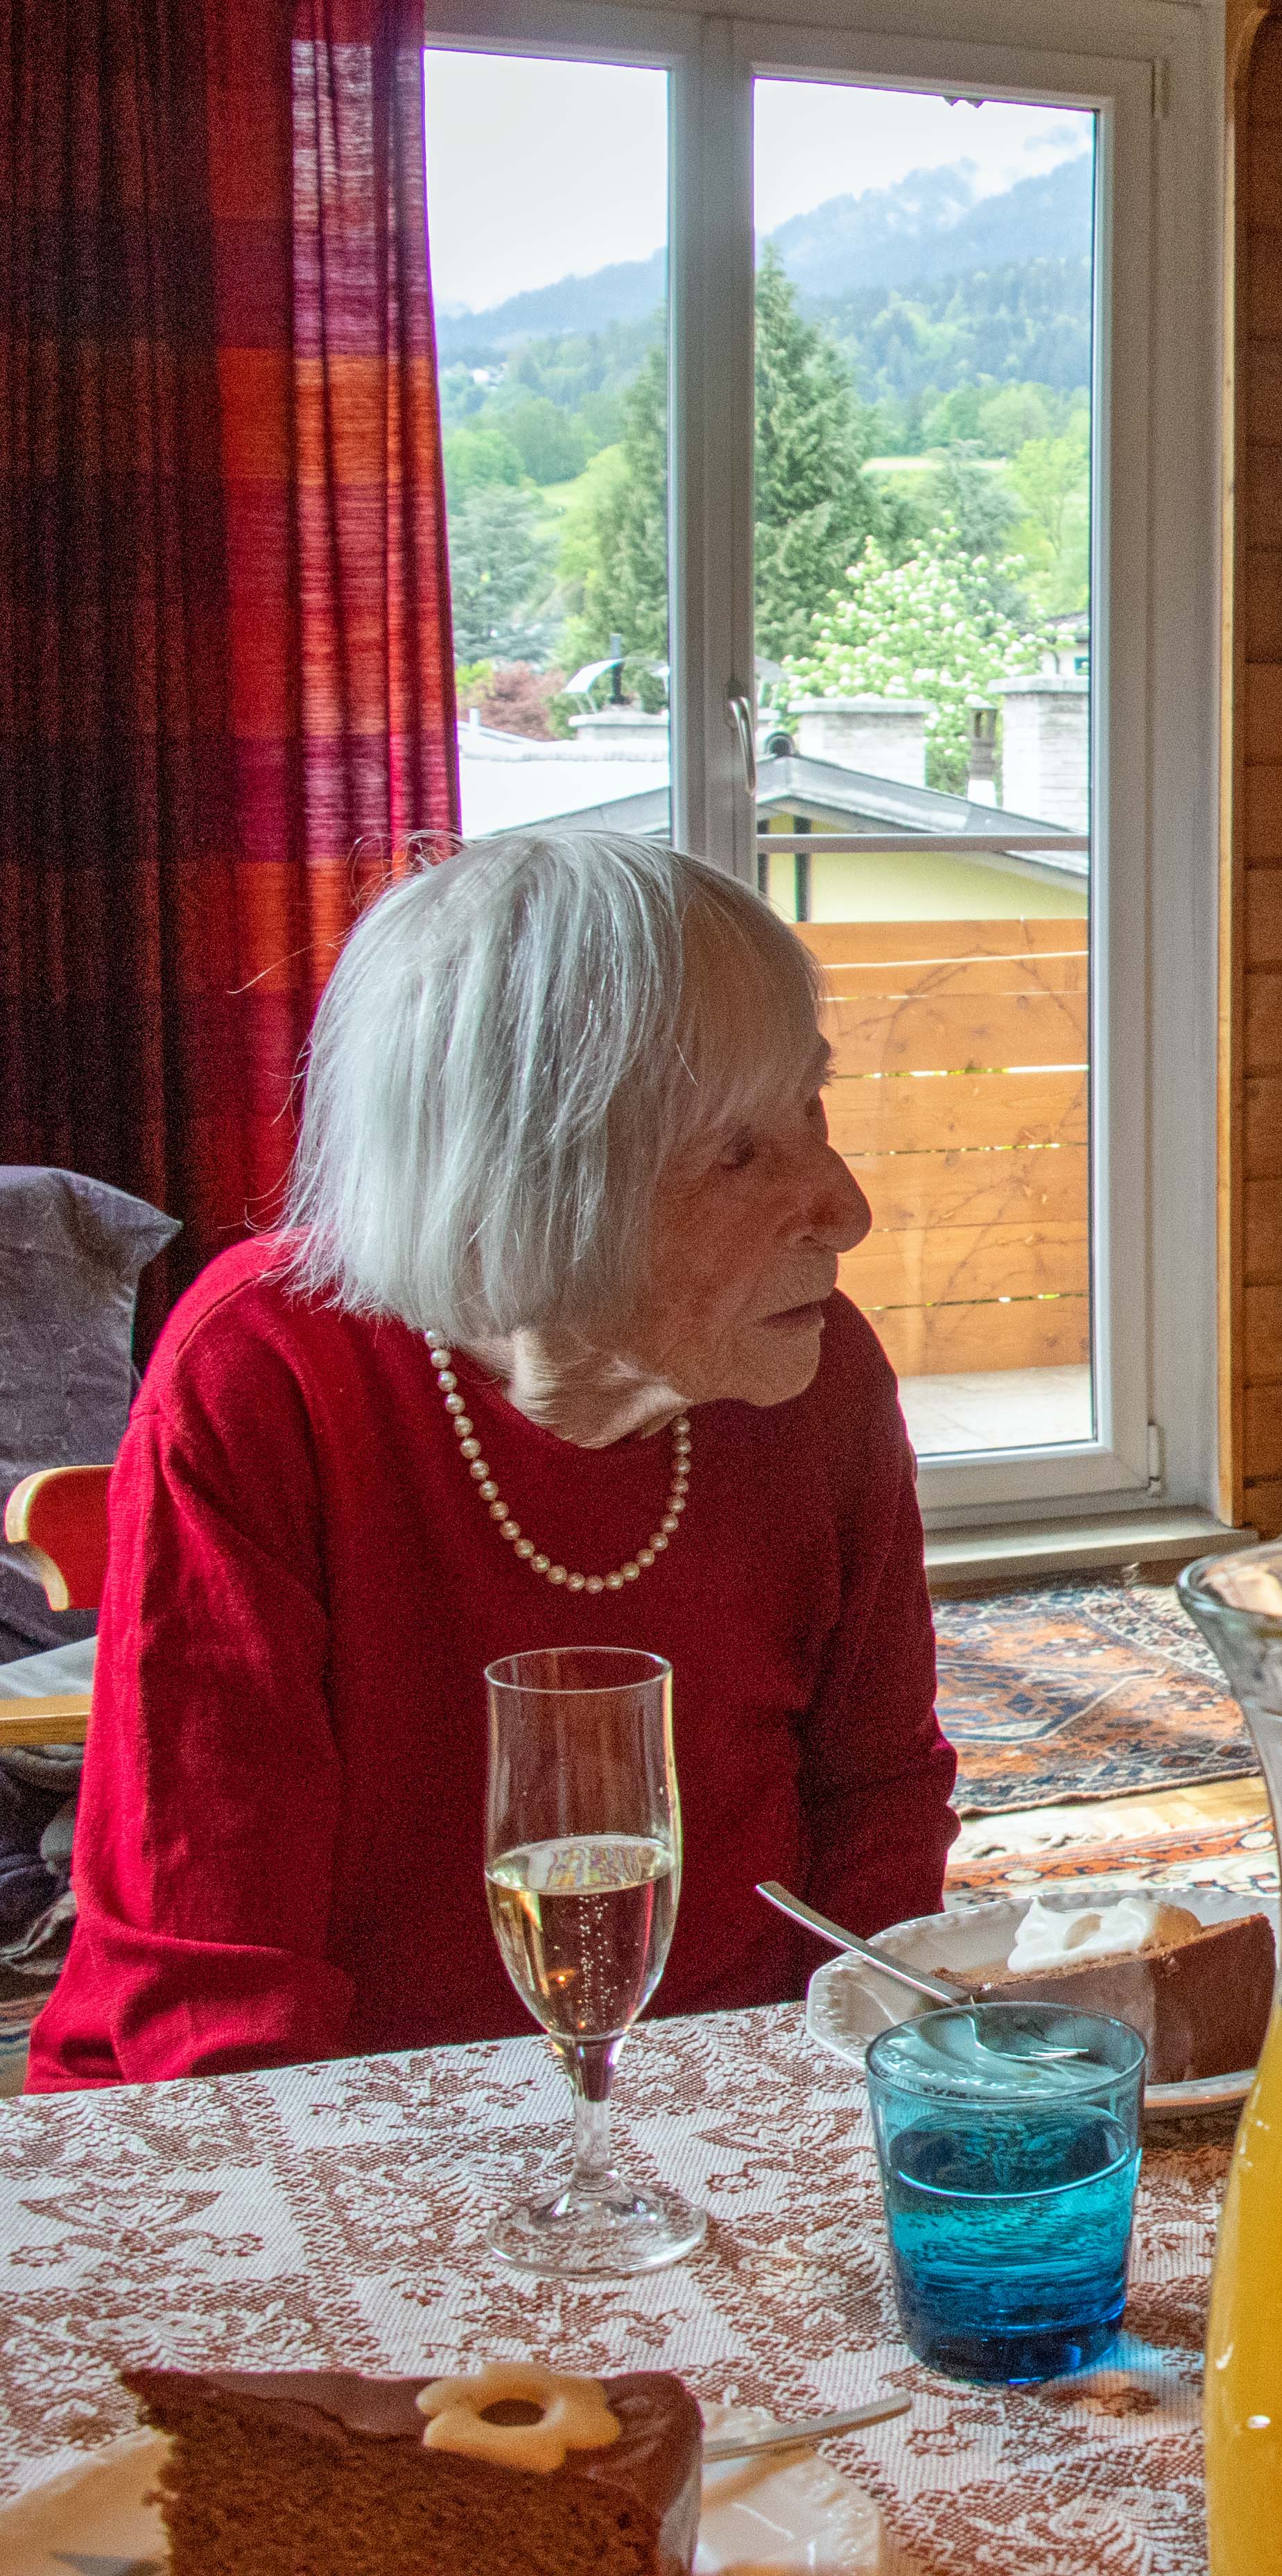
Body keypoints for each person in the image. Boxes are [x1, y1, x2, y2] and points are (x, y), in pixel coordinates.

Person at [34, 833, 958, 2088]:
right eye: (740, 1151)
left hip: (713, 2094)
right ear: (526, 1186)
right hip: (318, 2117)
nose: (847, 1208)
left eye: (812, 1106)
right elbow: (215, 1986)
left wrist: (828, 2107)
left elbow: (879, 1811)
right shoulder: (264, 1374)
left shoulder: (815, 1371)